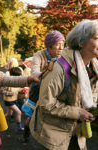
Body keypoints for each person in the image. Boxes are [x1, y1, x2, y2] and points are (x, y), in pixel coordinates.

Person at [29, 19, 98, 150]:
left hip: (77, 132)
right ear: (81, 42)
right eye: (97, 38)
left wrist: (90, 108)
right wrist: (77, 113)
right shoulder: (59, 67)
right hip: (54, 134)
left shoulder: (94, 68)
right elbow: (46, 103)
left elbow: (93, 92)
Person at [23, 30, 65, 141]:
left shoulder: (64, 56)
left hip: (56, 91)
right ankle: (27, 128)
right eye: (57, 44)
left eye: (62, 44)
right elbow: (34, 72)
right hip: (39, 90)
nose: (61, 48)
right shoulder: (38, 56)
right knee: (33, 118)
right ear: (49, 46)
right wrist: (49, 67)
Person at [3, 67, 27, 133]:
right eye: (18, 76)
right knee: (19, 112)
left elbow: (17, 89)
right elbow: (2, 91)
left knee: (9, 114)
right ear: (13, 76)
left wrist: (22, 90)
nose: (19, 77)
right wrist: (10, 93)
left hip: (14, 100)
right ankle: (19, 128)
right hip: (9, 101)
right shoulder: (8, 82)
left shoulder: (17, 81)